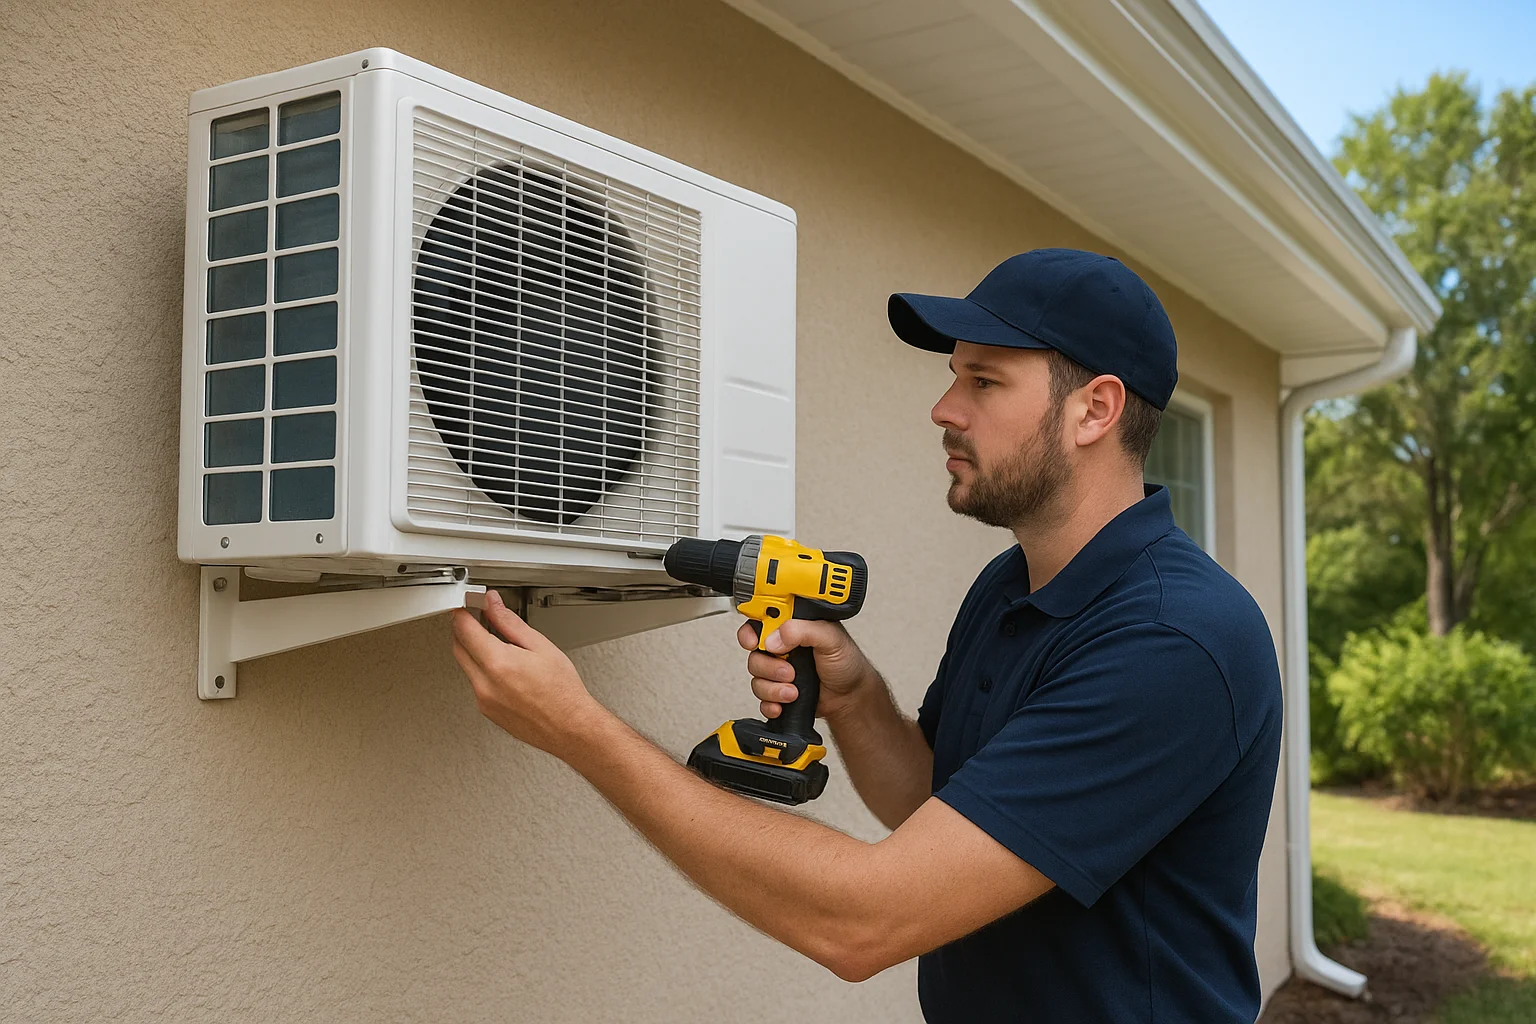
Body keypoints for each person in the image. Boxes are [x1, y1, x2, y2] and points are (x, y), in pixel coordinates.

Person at [451, 248, 1283, 1023]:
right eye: (954, 377)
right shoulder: (1013, 584)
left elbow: (862, 922)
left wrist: (578, 730)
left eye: (984, 382)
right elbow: (937, 805)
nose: (943, 409)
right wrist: (855, 699)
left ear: (1094, 409)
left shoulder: (1174, 641)